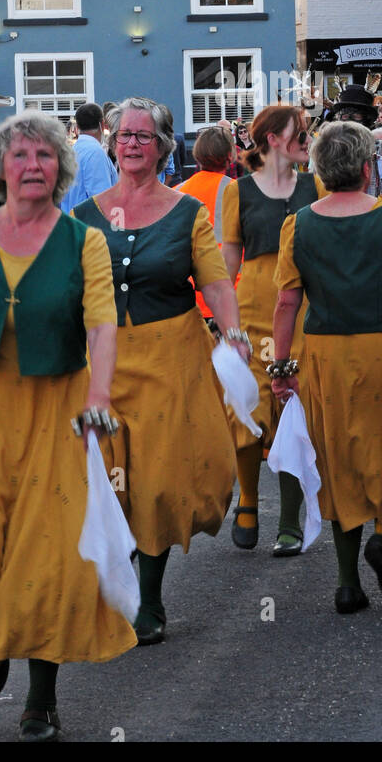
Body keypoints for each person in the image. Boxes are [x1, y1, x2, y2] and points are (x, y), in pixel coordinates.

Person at [0, 112, 136, 741]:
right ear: (0, 169)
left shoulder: (83, 241)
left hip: (59, 411)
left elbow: (102, 323)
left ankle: (41, 694)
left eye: (45, 155)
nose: (33, 165)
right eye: (20, 155)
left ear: (61, 169)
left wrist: (99, 395)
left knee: (48, 554)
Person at [72, 97, 243, 646]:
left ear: (165, 146)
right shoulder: (85, 215)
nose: (131, 144)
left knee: (156, 481)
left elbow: (214, 281)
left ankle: (149, 597)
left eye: (144, 137)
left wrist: (234, 333)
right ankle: (114, 577)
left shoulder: (187, 213)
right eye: (123, 135)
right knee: (104, 477)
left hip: (171, 359)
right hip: (102, 362)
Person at [272, 121, 382, 613]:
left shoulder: (299, 224)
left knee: (338, 454)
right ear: (368, 169)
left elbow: (287, 302)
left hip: (325, 351)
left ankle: (347, 581)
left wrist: (280, 363)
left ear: (322, 173)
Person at [221, 105, 319, 557]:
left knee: (294, 414)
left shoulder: (314, 186)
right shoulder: (237, 192)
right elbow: (228, 260)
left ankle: (289, 519)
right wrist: (225, 322)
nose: (306, 137)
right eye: (299, 131)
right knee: (246, 409)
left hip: (301, 311)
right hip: (253, 311)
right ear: (273, 138)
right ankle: (248, 499)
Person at [175, 124, 236, 318]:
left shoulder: (176, 192)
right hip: (230, 294)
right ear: (229, 156)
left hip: (188, 297)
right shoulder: (239, 191)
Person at [60, 102, 117, 214]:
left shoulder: (72, 151)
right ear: (102, 124)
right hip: (89, 228)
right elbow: (102, 202)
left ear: (77, 127)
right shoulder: (95, 153)